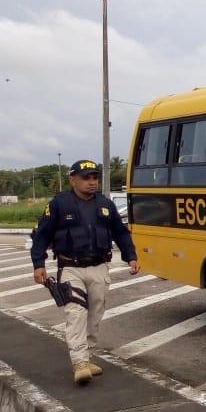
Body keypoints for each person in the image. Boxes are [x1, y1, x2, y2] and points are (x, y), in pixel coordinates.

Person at [31, 159, 140, 385]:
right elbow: (41, 235)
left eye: (94, 177)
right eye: (86, 178)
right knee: (76, 313)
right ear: (73, 179)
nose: (92, 182)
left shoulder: (105, 204)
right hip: (70, 268)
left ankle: (88, 356)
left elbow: (120, 232)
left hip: (99, 267)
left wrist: (131, 257)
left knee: (95, 314)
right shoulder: (58, 204)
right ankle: (79, 362)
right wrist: (38, 263)